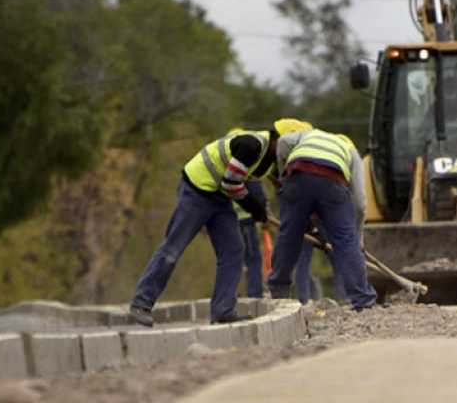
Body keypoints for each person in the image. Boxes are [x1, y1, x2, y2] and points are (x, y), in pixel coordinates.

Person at [129, 119, 312, 327]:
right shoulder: (252, 145)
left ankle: (223, 310)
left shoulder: (273, 159)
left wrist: (301, 218)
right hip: (197, 190)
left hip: (220, 196)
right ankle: (141, 303)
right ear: (281, 140)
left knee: (233, 250)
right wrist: (254, 208)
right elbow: (231, 182)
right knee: (173, 248)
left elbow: (281, 189)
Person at [267, 130, 377, 310]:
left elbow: (283, 142)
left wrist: (283, 177)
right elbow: (359, 204)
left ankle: (278, 292)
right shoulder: (350, 152)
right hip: (332, 182)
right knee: (346, 241)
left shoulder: (307, 135)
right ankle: (363, 300)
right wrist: (356, 236)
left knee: (289, 235)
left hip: (298, 177)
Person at [235, 180, 267, 298]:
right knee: (253, 258)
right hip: (247, 219)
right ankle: (255, 293)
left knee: (232, 258)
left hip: (229, 220)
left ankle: (232, 293)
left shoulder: (224, 167)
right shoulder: (246, 168)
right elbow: (257, 191)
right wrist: (261, 211)